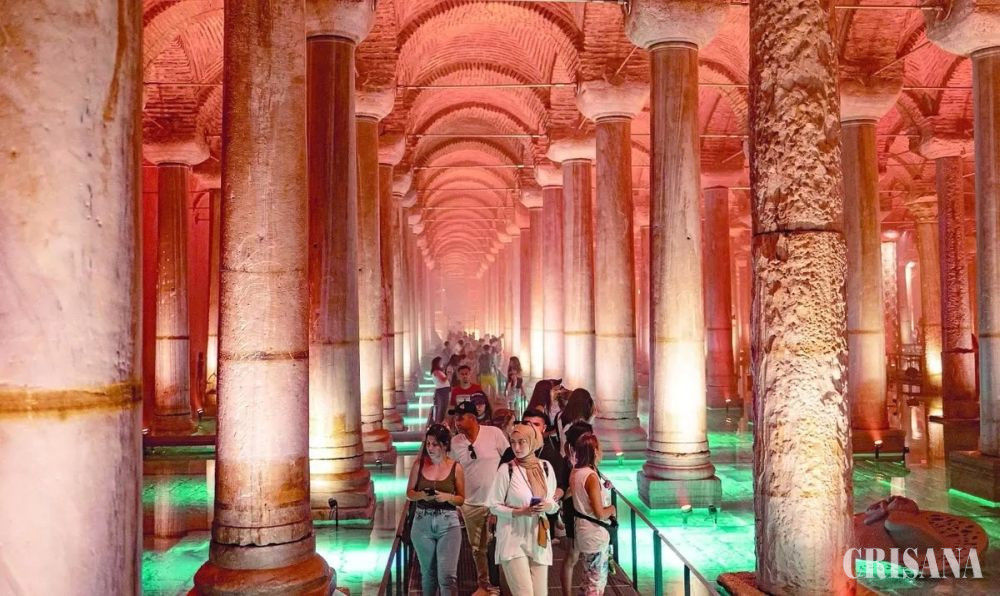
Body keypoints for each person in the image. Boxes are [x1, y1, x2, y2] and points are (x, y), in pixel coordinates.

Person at [488, 423, 559, 595]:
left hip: (538, 538)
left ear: (533, 441)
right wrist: (520, 512)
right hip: (513, 538)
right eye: (513, 442)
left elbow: (553, 505)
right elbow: (493, 505)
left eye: (522, 442)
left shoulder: (545, 467)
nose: (516, 447)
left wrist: (547, 506)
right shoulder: (507, 470)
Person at [450, 401, 510, 595]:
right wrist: (458, 502)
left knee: (501, 544)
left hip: (495, 502)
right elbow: (454, 471)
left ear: (472, 418)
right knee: (478, 548)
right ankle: (484, 584)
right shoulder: (456, 442)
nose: (456, 422)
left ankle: (504, 584)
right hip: (471, 504)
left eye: (460, 418)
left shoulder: (494, 434)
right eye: (455, 418)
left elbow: (509, 461)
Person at [406, 424, 466, 596]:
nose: (430, 448)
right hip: (422, 523)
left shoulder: (456, 468)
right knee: (428, 575)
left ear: (445, 445)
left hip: (448, 524)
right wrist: (422, 496)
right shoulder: (419, 465)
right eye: (428, 444)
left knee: (447, 577)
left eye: (434, 444)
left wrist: (447, 497)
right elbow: (409, 493)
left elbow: (461, 498)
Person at [570, 433, 616, 595]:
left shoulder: (576, 471)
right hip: (595, 534)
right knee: (595, 584)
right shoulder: (590, 476)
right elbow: (600, 513)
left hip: (583, 531)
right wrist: (612, 509)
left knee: (588, 580)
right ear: (594, 451)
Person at [560, 420, 594, 595]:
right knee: (573, 555)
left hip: (585, 512)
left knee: (582, 554)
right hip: (575, 511)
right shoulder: (569, 464)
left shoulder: (585, 460)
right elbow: (564, 491)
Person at [556, 388, 595, 458]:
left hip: (562, 455)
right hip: (577, 458)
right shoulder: (581, 423)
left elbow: (560, 436)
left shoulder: (560, 415)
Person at [430, 357, 451, 424]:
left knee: (443, 406)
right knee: (442, 407)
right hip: (442, 390)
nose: (442, 363)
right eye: (440, 362)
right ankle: (439, 422)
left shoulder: (438, 371)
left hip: (443, 390)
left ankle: (440, 422)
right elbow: (443, 379)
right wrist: (448, 374)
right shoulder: (436, 371)